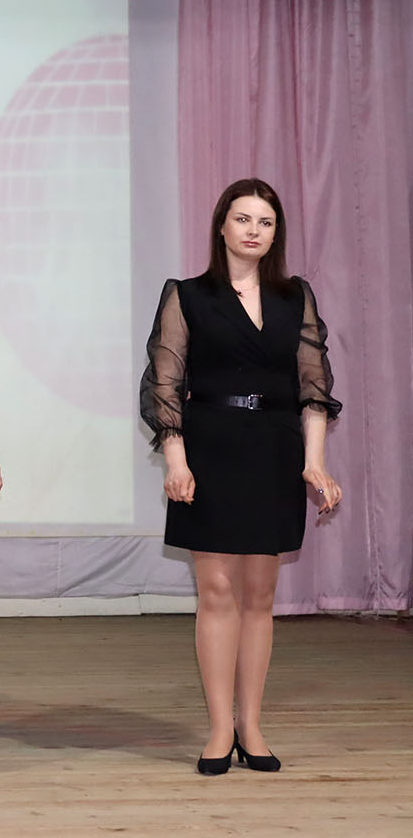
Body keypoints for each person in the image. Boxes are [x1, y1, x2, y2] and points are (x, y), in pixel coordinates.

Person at [140, 178, 341, 775]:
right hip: (210, 448)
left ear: (276, 234)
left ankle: (251, 726)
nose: (254, 230)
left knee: (259, 596)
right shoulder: (186, 295)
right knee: (217, 593)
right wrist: (176, 460)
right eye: (243, 219)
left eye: (266, 222)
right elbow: (165, 385)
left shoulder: (294, 296)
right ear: (222, 226)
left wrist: (315, 462)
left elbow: (313, 388)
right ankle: (218, 729)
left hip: (275, 449)